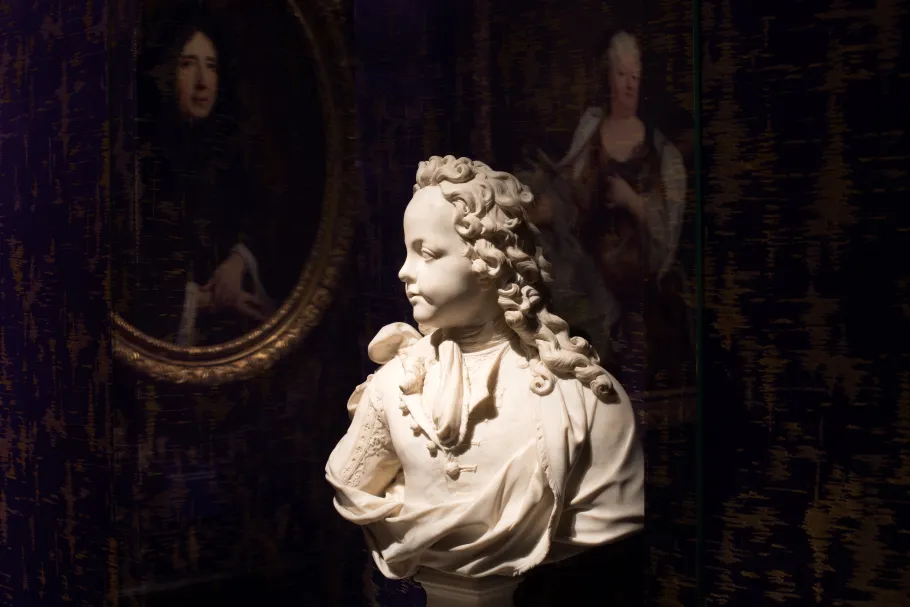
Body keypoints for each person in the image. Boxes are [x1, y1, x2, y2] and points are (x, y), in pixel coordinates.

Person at [326, 156, 644, 580]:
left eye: (427, 253)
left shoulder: (584, 398)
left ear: (490, 262)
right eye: (407, 253)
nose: (404, 272)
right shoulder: (394, 386)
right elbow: (351, 486)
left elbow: (611, 514)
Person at [528, 30, 689, 393]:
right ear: (608, 77)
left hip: (635, 279)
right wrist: (553, 205)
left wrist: (632, 200)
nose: (629, 84)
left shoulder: (660, 152)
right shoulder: (592, 132)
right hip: (588, 268)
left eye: (635, 75)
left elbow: (667, 229)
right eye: (621, 74)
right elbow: (571, 193)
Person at [130, 9, 277, 346]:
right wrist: (204, 300)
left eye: (211, 66)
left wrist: (238, 262)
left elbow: (263, 226)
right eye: (187, 64)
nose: (202, 81)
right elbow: (130, 275)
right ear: (167, 71)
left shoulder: (230, 154)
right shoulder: (141, 161)